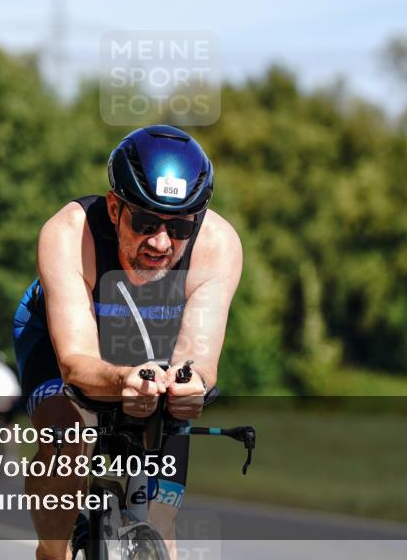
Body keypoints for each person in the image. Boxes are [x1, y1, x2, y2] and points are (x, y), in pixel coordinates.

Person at [12, 125, 243, 560]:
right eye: (145, 221)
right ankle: (52, 551)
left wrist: (188, 389)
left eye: (179, 227)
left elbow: (199, 361)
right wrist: (123, 381)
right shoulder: (69, 233)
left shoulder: (218, 244)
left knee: (160, 521)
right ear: (115, 208)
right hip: (63, 335)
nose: (161, 242)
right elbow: (76, 364)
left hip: (157, 342)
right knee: (68, 438)